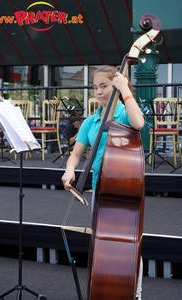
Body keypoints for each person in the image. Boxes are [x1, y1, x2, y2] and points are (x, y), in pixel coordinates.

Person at [61, 65, 144, 300]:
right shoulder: (90, 121)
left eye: (104, 86)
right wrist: (69, 170)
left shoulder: (125, 112)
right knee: (102, 244)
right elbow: (76, 154)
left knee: (130, 245)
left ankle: (134, 293)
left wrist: (125, 91)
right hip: (100, 187)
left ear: (116, 85)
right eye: (95, 87)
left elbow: (138, 124)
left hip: (126, 187)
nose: (98, 92)